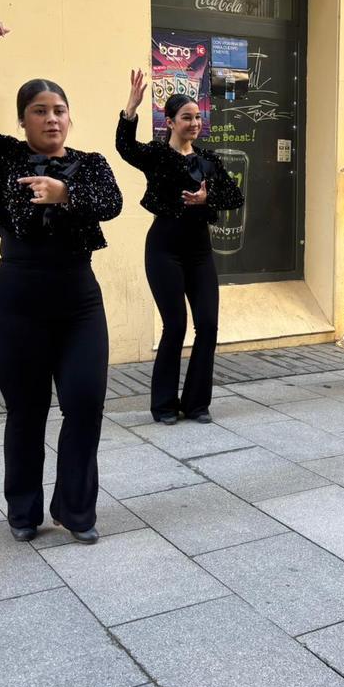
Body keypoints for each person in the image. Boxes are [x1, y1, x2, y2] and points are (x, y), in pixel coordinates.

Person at [0, 16, 122, 544]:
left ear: (70, 117)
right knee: (27, 409)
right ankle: (23, 512)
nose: (52, 119)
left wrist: (64, 195)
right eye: (39, 111)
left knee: (85, 402)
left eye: (59, 110)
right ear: (23, 120)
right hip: (12, 303)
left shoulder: (90, 165)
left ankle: (75, 510)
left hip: (78, 303)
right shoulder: (2, 159)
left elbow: (111, 204)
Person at [116, 74, 243, 425]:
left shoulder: (208, 160)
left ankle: (197, 403)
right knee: (175, 326)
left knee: (208, 324)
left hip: (199, 250)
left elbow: (235, 195)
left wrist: (208, 198)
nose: (195, 123)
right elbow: (126, 149)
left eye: (198, 117)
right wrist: (130, 108)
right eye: (187, 117)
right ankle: (163, 406)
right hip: (164, 249)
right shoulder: (157, 155)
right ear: (170, 122)